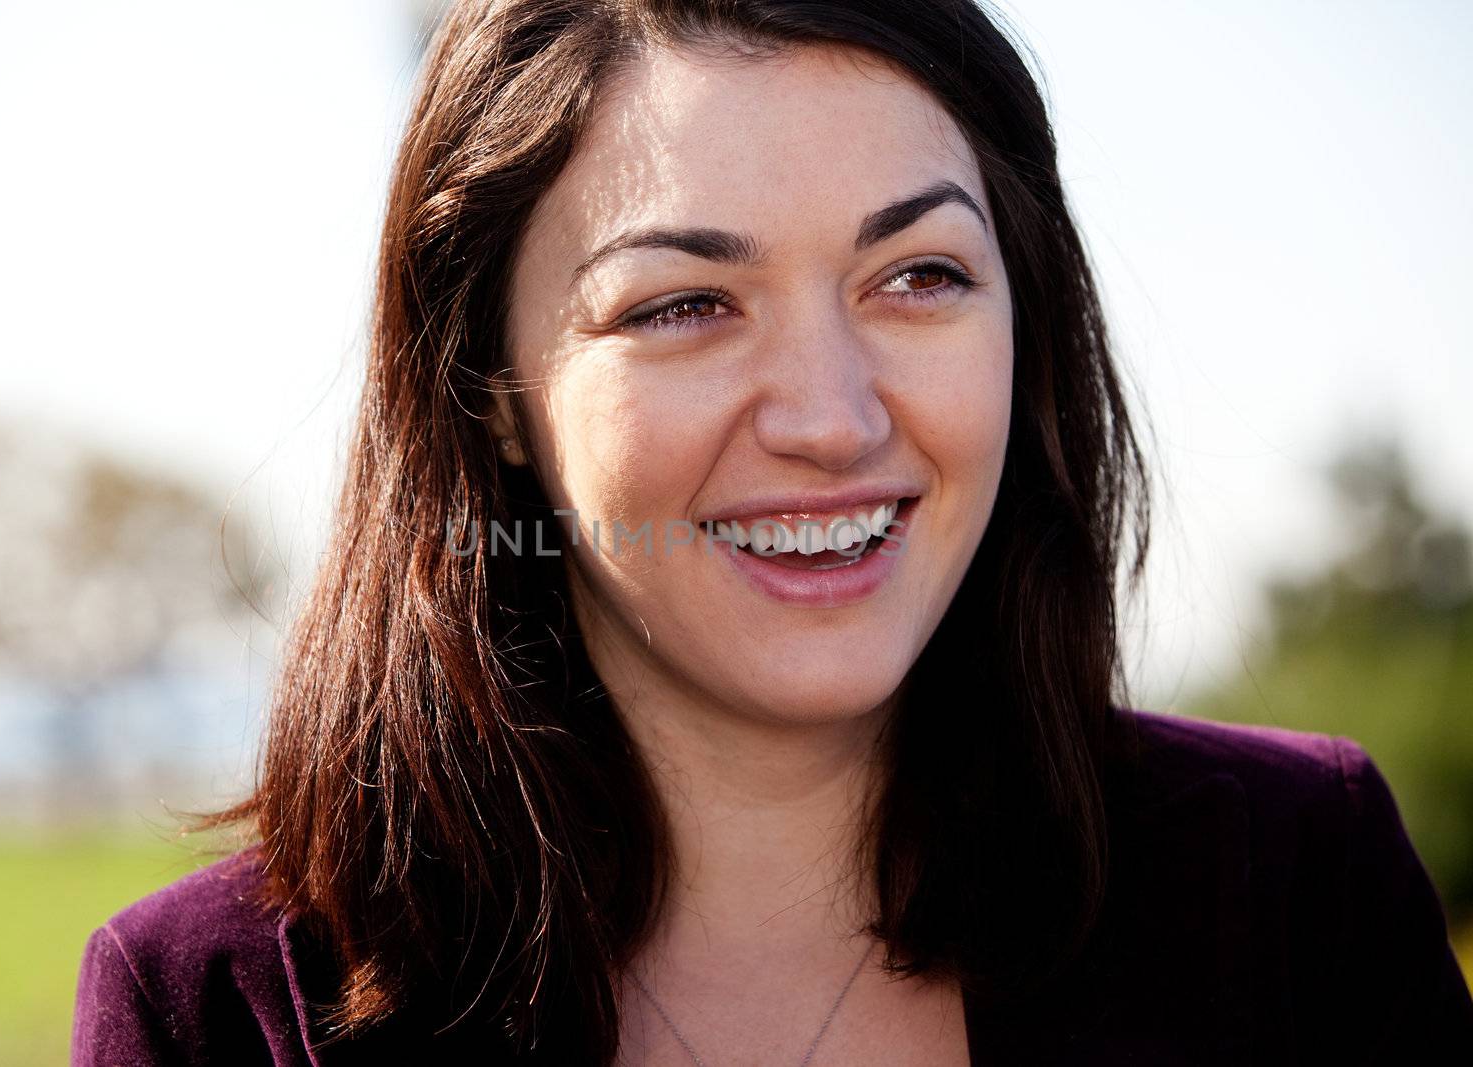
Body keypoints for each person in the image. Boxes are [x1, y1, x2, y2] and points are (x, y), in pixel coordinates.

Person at [71, 1, 1473, 1063]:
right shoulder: (221, 1007)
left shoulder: (1299, 882)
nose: (832, 416)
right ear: (489, 394)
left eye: (918, 275)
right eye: (683, 304)